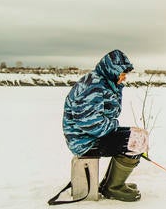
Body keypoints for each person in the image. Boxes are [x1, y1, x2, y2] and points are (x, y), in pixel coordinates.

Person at [62, 49, 148, 202]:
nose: (124, 77)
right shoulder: (93, 86)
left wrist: (115, 128)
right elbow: (88, 122)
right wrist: (115, 128)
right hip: (84, 141)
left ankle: (110, 184)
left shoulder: (103, 82)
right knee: (136, 140)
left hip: (91, 136)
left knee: (138, 135)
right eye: (122, 73)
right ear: (112, 70)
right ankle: (113, 188)